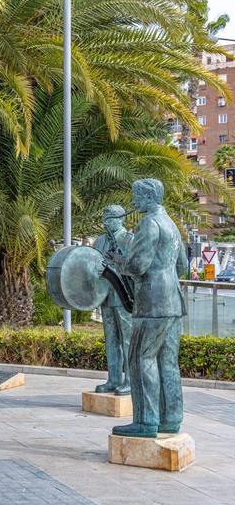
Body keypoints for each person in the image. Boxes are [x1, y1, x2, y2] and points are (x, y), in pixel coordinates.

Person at [106, 179, 187, 439]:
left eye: (137, 196)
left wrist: (119, 261)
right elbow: (182, 266)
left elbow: (137, 266)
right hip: (173, 302)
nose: (133, 202)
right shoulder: (171, 225)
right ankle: (171, 419)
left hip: (152, 302)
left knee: (141, 359)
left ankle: (146, 422)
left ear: (150, 196)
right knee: (168, 362)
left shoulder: (149, 223)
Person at [92, 205, 133, 396]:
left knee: (127, 339)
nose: (108, 222)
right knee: (111, 339)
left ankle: (131, 380)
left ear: (121, 219)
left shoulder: (129, 239)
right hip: (105, 296)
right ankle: (113, 378)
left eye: (112, 218)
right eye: (105, 218)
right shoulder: (99, 241)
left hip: (123, 296)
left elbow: (135, 267)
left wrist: (118, 260)